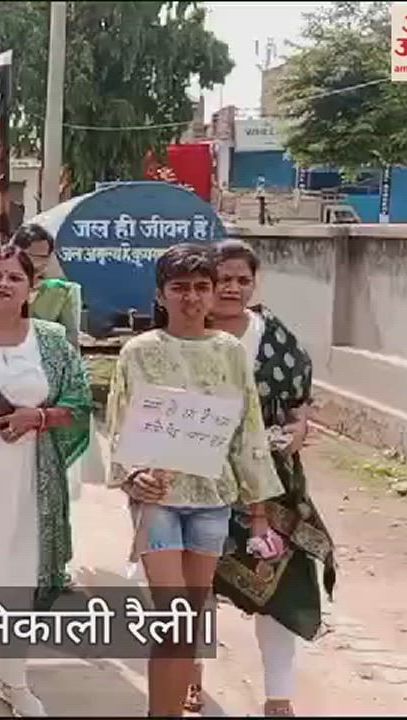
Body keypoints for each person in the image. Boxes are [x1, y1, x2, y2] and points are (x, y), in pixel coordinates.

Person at [106, 242, 283, 718]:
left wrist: (259, 509)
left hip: (212, 499)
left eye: (201, 287)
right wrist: (132, 478)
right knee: (173, 617)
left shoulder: (229, 352)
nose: (192, 297)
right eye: (179, 287)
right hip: (158, 499)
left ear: (213, 293)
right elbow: (121, 422)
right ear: (160, 295)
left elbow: (247, 427)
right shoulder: (138, 351)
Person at [0, 245, 92, 717]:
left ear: (32, 287)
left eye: (14, 277)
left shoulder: (50, 341)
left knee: (16, 578)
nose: (2, 284)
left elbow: (81, 405)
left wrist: (40, 416)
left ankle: (13, 681)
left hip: (24, 484)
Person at [201, 239, 336, 718]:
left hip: (274, 484)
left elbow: (301, 406)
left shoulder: (275, 337)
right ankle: (191, 678)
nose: (232, 288)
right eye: (223, 279)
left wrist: (299, 430)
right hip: (199, 482)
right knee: (195, 587)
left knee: (283, 585)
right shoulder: (186, 334)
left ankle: (278, 696)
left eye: (242, 279)